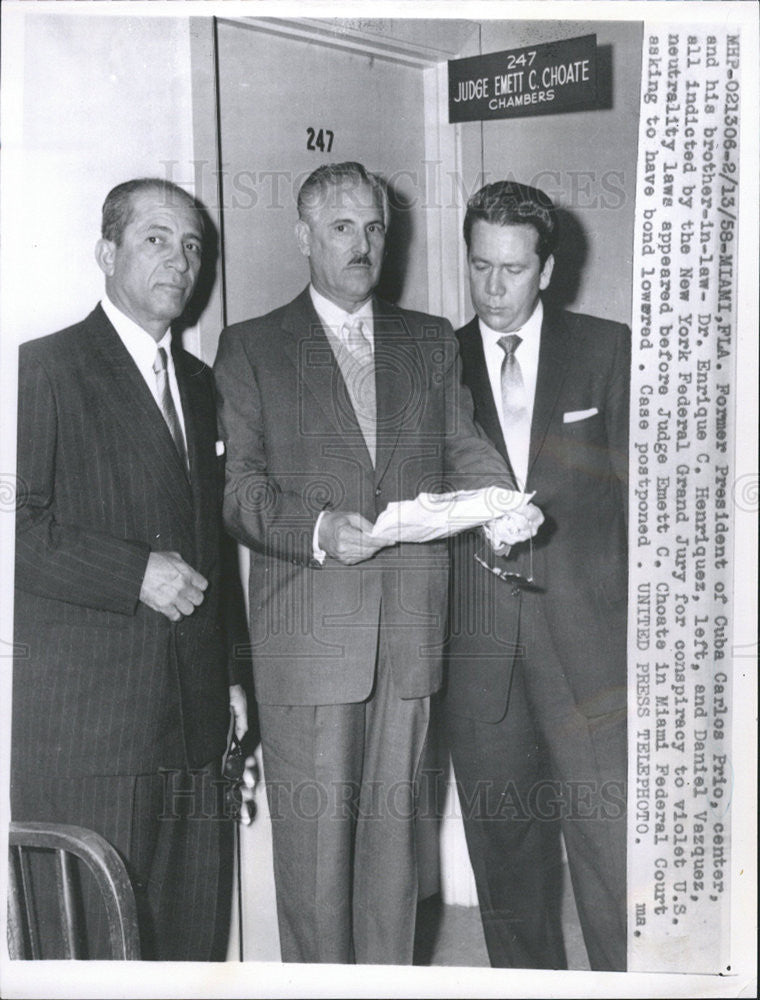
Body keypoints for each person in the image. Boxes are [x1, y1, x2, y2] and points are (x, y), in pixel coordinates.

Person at [213, 161, 542, 965]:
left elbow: (466, 450)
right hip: (312, 649)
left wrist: (505, 505)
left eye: (373, 228)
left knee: (394, 875)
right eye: (341, 228)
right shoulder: (252, 346)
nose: (362, 245)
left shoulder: (429, 341)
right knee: (318, 881)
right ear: (304, 238)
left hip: (408, 648)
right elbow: (240, 492)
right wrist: (319, 528)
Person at [12, 178, 249, 960]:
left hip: (194, 721)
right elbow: (20, 531)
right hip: (93, 735)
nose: (179, 260)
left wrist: (234, 677)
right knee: (92, 948)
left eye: (191, 246)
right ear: (106, 252)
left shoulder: (204, 385)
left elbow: (215, 545)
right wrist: (131, 571)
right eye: (156, 239)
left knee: (189, 948)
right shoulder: (42, 369)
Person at [445, 180, 630, 971]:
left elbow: (649, 500)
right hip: (478, 651)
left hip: (590, 644)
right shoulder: (435, 359)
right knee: (507, 867)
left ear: (546, 269)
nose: (494, 288)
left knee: (612, 857)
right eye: (480, 265)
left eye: (513, 270)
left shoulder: (608, 349)